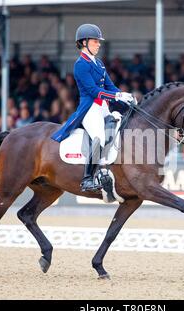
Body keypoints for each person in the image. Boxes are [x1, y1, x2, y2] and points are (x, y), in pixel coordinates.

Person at [51, 24, 135, 192]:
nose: (99, 44)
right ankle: (88, 178)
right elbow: (93, 91)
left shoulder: (99, 63)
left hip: (104, 107)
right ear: (84, 42)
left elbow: (110, 86)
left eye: (98, 41)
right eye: (95, 41)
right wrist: (116, 97)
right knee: (99, 136)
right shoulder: (80, 64)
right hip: (90, 108)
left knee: (120, 126)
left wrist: (124, 95)